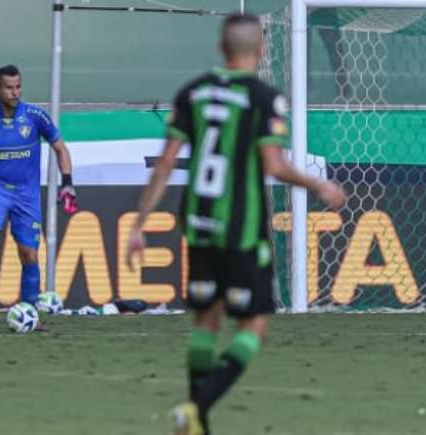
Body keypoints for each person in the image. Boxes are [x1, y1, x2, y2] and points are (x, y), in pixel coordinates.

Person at [125, 14, 346, 435]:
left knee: (206, 320)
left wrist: (140, 222)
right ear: (260, 49)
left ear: (221, 48)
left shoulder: (192, 93)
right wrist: (318, 184)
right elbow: (273, 164)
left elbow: (168, 161)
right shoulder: (264, 97)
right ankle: (197, 407)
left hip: (198, 223)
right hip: (240, 228)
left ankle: (197, 422)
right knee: (255, 322)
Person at [0, 64, 77, 322]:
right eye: (9, 87)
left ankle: (30, 310)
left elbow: (61, 149)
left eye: (18, 86)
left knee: (29, 253)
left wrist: (68, 183)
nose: (15, 92)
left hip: (27, 194)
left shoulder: (36, 116)